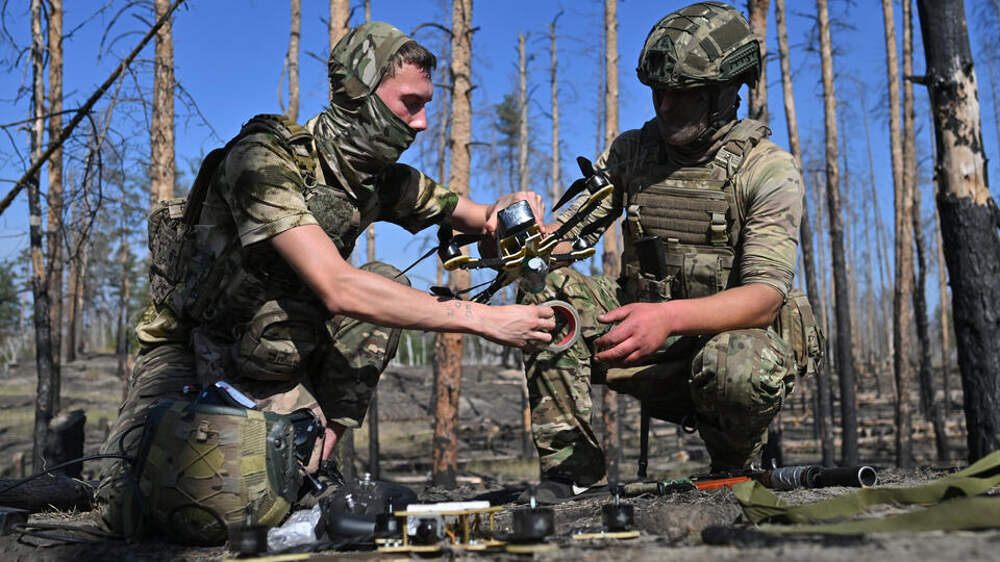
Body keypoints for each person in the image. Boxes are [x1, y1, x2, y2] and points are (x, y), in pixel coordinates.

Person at [96, 21, 555, 539]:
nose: (423, 122)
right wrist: (483, 319)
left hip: (276, 358)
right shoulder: (263, 159)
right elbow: (338, 287)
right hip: (195, 351)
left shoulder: (381, 180)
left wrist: (511, 208)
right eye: (410, 103)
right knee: (129, 513)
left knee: (382, 283)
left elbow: (481, 216)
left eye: (427, 105)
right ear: (359, 95)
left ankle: (312, 459)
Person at [520, 1, 822, 502]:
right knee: (548, 294)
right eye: (658, 92)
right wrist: (527, 239)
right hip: (638, 329)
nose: (664, 106)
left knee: (739, 362)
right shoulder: (632, 151)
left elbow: (765, 298)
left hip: (721, 346)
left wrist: (667, 317)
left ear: (725, 92)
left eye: (682, 94)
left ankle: (732, 469)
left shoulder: (767, 169)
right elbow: (571, 235)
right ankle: (570, 471)